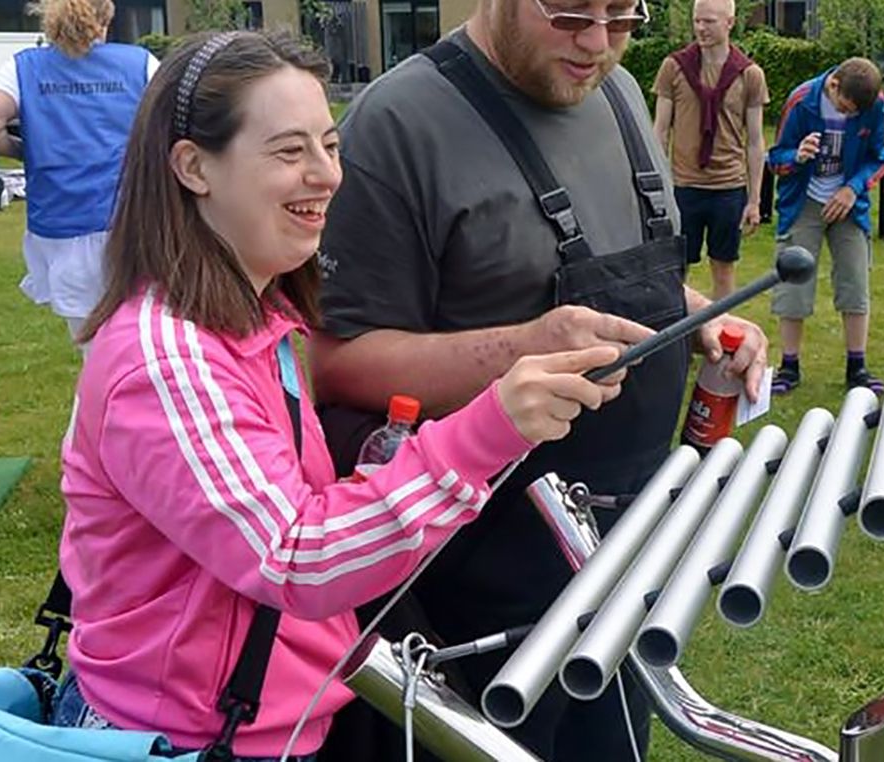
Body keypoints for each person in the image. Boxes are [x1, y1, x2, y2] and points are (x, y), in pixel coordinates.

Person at [53, 30, 627, 761]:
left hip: (273, 723)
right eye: (290, 152)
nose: (327, 175)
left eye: (329, 145)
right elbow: (296, 558)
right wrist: (489, 428)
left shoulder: (256, 324)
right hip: (194, 739)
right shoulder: (167, 361)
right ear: (194, 167)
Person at [310, 0, 770, 757]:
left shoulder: (611, 89)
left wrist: (702, 322)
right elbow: (330, 362)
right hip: (476, 579)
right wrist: (521, 349)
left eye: (622, 17)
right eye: (571, 14)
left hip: (622, 554)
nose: (597, 43)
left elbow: (624, 279)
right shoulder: (397, 126)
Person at [0, 0, 158, 352]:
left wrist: (25, 151)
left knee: (96, 351)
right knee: (144, 340)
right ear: (107, 16)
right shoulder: (140, 63)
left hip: (61, 227)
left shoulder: (22, 68)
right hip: (131, 223)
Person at [765, 57, 884, 396]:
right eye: (845, 109)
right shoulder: (801, 100)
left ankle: (857, 366)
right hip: (803, 202)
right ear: (833, 85)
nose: (850, 117)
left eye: (855, 114)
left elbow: (881, 156)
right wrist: (797, 156)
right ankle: (789, 366)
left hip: (849, 203)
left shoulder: (875, 104)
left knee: (855, 280)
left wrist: (852, 188)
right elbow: (775, 159)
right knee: (793, 281)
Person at [651, 0, 769, 300]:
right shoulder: (674, 67)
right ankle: (677, 335)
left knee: (724, 266)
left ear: (729, 22)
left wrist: (754, 200)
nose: (700, 28)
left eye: (709, 22)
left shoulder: (749, 74)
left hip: (728, 187)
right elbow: (660, 131)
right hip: (683, 185)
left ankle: (722, 332)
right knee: (676, 268)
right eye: (697, 21)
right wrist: (658, 187)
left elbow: (755, 142)